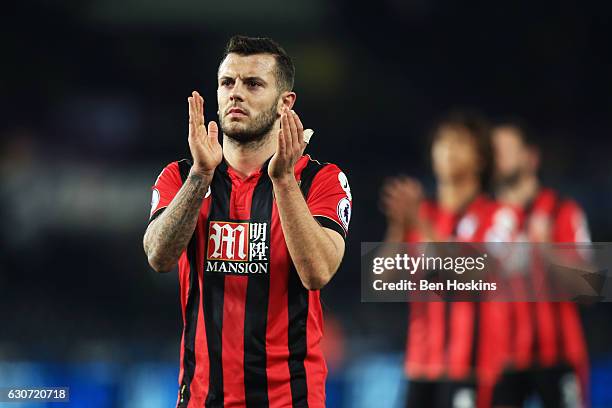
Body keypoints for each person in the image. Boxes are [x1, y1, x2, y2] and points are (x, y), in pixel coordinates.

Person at [143, 35, 352, 408]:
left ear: (285, 103)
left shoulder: (321, 180)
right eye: (227, 83)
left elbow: (318, 272)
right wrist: (200, 178)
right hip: (200, 399)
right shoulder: (181, 175)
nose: (236, 93)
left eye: (253, 84)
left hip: (291, 399)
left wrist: (283, 180)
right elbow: (158, 257)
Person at [380, 111, 516, 408]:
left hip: (472, 369)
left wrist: (419, 224)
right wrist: (398, 228)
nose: (448, 150)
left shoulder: (498, 216)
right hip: (420, 366)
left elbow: (477, 277)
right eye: (441, 142)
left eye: (459, 142)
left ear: (481, 158)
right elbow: (382, 280)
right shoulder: (421, 214)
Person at [491, 121, 589, 408]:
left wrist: (545, 251)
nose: (497, 157)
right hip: (500, 362)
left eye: (505, 149)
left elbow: (589, 288)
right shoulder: (483, 217)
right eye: (492, 150)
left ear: (530, 157)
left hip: (558, 357)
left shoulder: (562, 211)